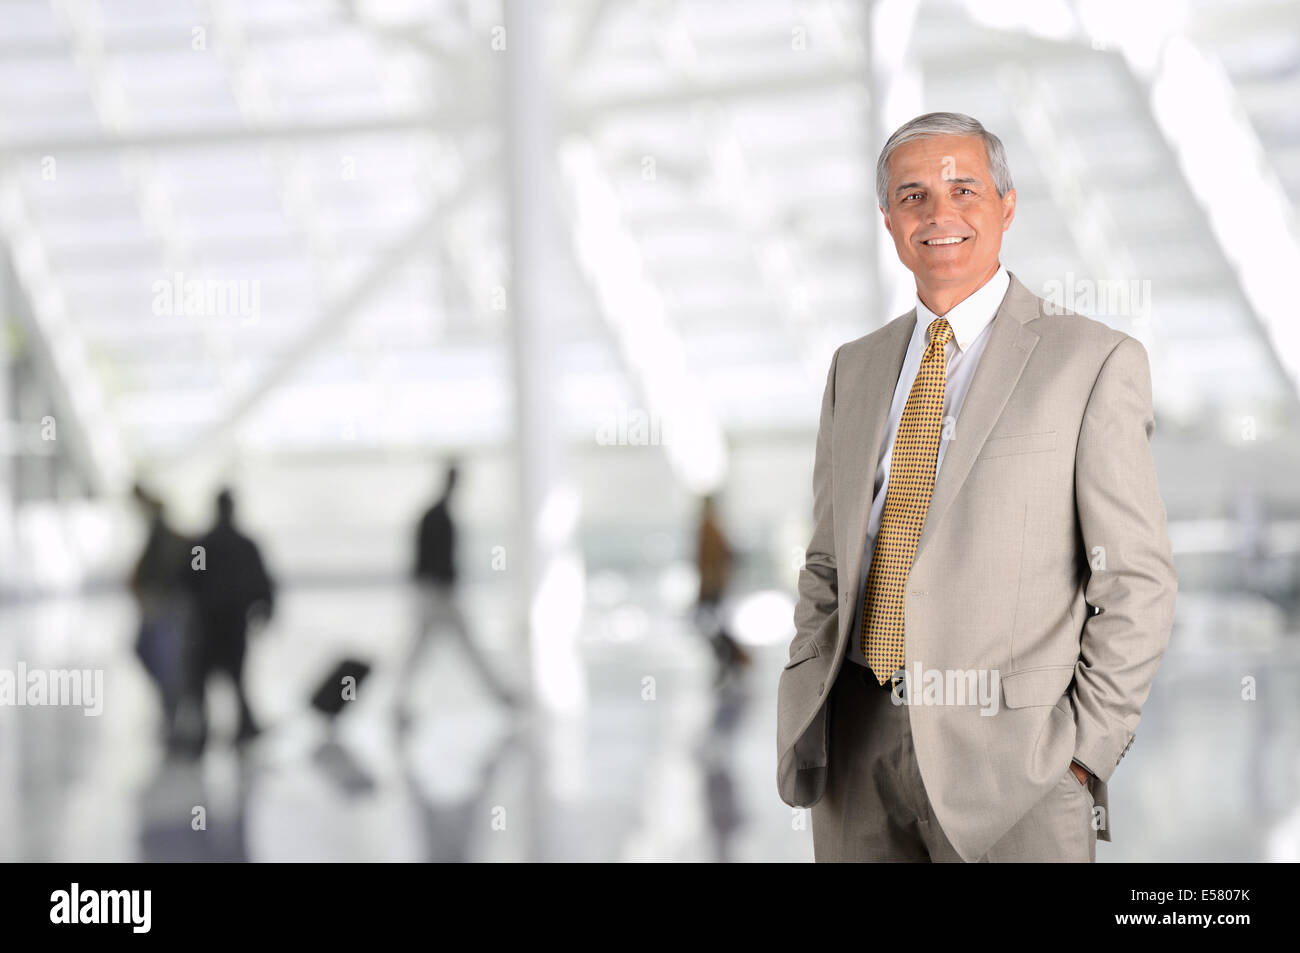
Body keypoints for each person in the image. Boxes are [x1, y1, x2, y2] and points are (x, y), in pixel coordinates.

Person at [777, 112, 1178, 862]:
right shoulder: (854, 369)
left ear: (1007, 204)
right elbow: (828, 559)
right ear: (889, 219)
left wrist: (1083, 751)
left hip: (1017, 767)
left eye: (964, 189)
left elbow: (1137, 579)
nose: (940, 213)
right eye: (914, 195)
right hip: (857, 742)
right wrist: (808, 681)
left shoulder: (1090, 361)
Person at [399, 463, 520, 728]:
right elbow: (428, 559)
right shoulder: (437, 516)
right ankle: (501, 697)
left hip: (437, 592)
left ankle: (501, 696)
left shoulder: (436, 514)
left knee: (434, 650)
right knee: (451, 648)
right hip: (438, 593)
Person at [183, 487, 275, 753]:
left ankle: (203, 730)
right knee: (236, 676)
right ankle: (241, 727)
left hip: (210, 622)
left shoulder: (205, 544)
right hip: (232, 622)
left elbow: (190, 579)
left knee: (204, 679)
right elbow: (261, 583)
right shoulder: (242, 545)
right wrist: (264, 609)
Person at [128, 483, 193, 749]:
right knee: (155, 658)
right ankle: (172, 715)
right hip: (159, 609)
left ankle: (175, 718)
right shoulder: (157, 536)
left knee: (168, 665)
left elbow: (168, 573)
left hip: (165, 611)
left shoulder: (164, 537)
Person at [693, 495, 750, 684]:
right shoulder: (709, 527)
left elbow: (723, 556)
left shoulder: (710, 528)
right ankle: (731, 659)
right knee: (714, 624)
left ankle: (734, 658)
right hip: (711, 584)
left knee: (708, 624)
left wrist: (715, 580)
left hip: (712, 586)